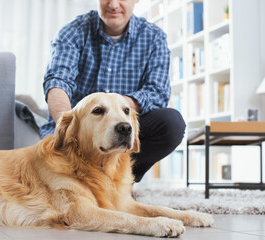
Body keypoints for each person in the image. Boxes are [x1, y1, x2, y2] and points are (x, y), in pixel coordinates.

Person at [40, 0, 186, 182]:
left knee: (171, 123)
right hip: (81, 132)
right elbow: (58, 82)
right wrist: (69, 126)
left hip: (126, 127)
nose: (114, 5)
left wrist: (116, 109)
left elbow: (157, 92)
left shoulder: (154, 37)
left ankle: (122, 181)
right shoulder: (72, 32)